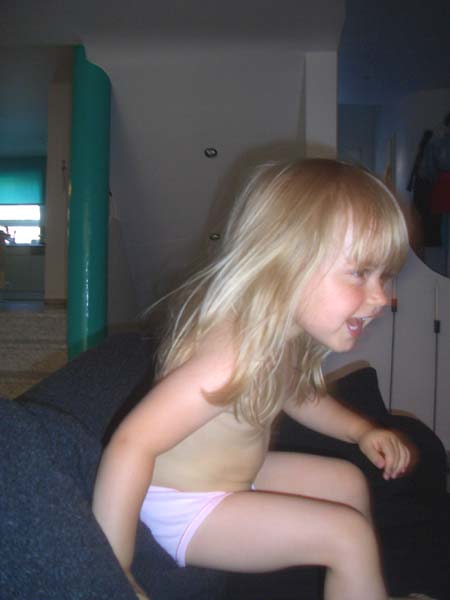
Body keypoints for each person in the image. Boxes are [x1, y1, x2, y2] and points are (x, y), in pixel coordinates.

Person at [93, 159, 415, 600]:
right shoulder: (230, 356)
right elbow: (133, 443)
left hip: (233, 475)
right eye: (360, 273)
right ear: (286, 262)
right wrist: (114, 572)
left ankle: (361, 587)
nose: (381, 298)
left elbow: (298, 396)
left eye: (384, 277)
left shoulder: (277, 334)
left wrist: (361, 431)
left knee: (348, 482)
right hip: (183, 506)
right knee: (348, 536)